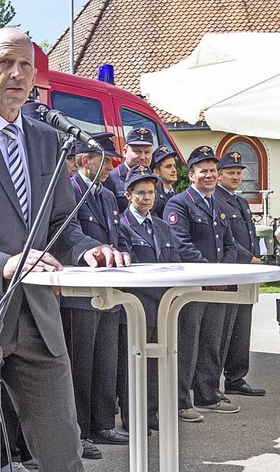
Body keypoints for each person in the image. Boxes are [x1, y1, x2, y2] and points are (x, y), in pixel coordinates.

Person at [0, 27, 130, 472]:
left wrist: (89, 249)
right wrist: (4, 264)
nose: (17, 73)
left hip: (38, 319)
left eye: (26, 66)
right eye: (5, 64)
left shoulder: (49, 140)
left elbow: (60, 227)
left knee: (61, 451)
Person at [117, 165, 202, 434]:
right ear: (128, 195)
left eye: (150, 192)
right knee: (133, 367)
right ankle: (134, 419)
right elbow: (128, 270)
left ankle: (151, 414)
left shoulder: (162, 227)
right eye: (140, 193)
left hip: (162, 307)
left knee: (155, 367)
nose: (146, 198)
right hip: (135, 308)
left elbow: (175, 262)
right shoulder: (122, 226)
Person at [61, 133, 131, 460]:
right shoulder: (69, 192)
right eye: (104, 160)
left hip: (108, 291)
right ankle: (79, 432)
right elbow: (68, 238)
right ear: (85, 160)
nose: (110, 167)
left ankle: (103, 424)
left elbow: (116, 238)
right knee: (80, 367)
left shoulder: (107, 195)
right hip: (79, 295)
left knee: (105, 362)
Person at [164, 145, 240, 422]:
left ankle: (208, 395)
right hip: (192, 289)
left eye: (212, 171)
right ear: (192, 174)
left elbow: (230, 244)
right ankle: (182, 401)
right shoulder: (179, 204)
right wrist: (209, 276)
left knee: (212, 342)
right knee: (187, 344)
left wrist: (222, 275)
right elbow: (181, 245)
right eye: (203, 171)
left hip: (217, 286)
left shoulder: (219, 204)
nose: (209, 175)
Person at [214, 151, 266, 397]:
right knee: (223, 331)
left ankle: (237, 378)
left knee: (242, 329)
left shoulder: (241, 201)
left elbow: (249, 235)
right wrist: (251, 259)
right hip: (232, 271)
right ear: (219, 174)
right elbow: (229, 240)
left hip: (246, 273)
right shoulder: (216, 200)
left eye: (238, 173)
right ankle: (215, 384)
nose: (236, 177)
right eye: (230, 172)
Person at [104, 127, 154, 213]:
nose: (142, 157)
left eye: (147, 152)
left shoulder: (156, 181)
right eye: (137, 152)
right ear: (124, 152)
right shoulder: (110, 178)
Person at [150, 145, 178, 218]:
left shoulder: (176, 195)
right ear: (156, 172)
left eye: (174, 165)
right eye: (168, 166)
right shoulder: (154, 198)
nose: (174, 170)